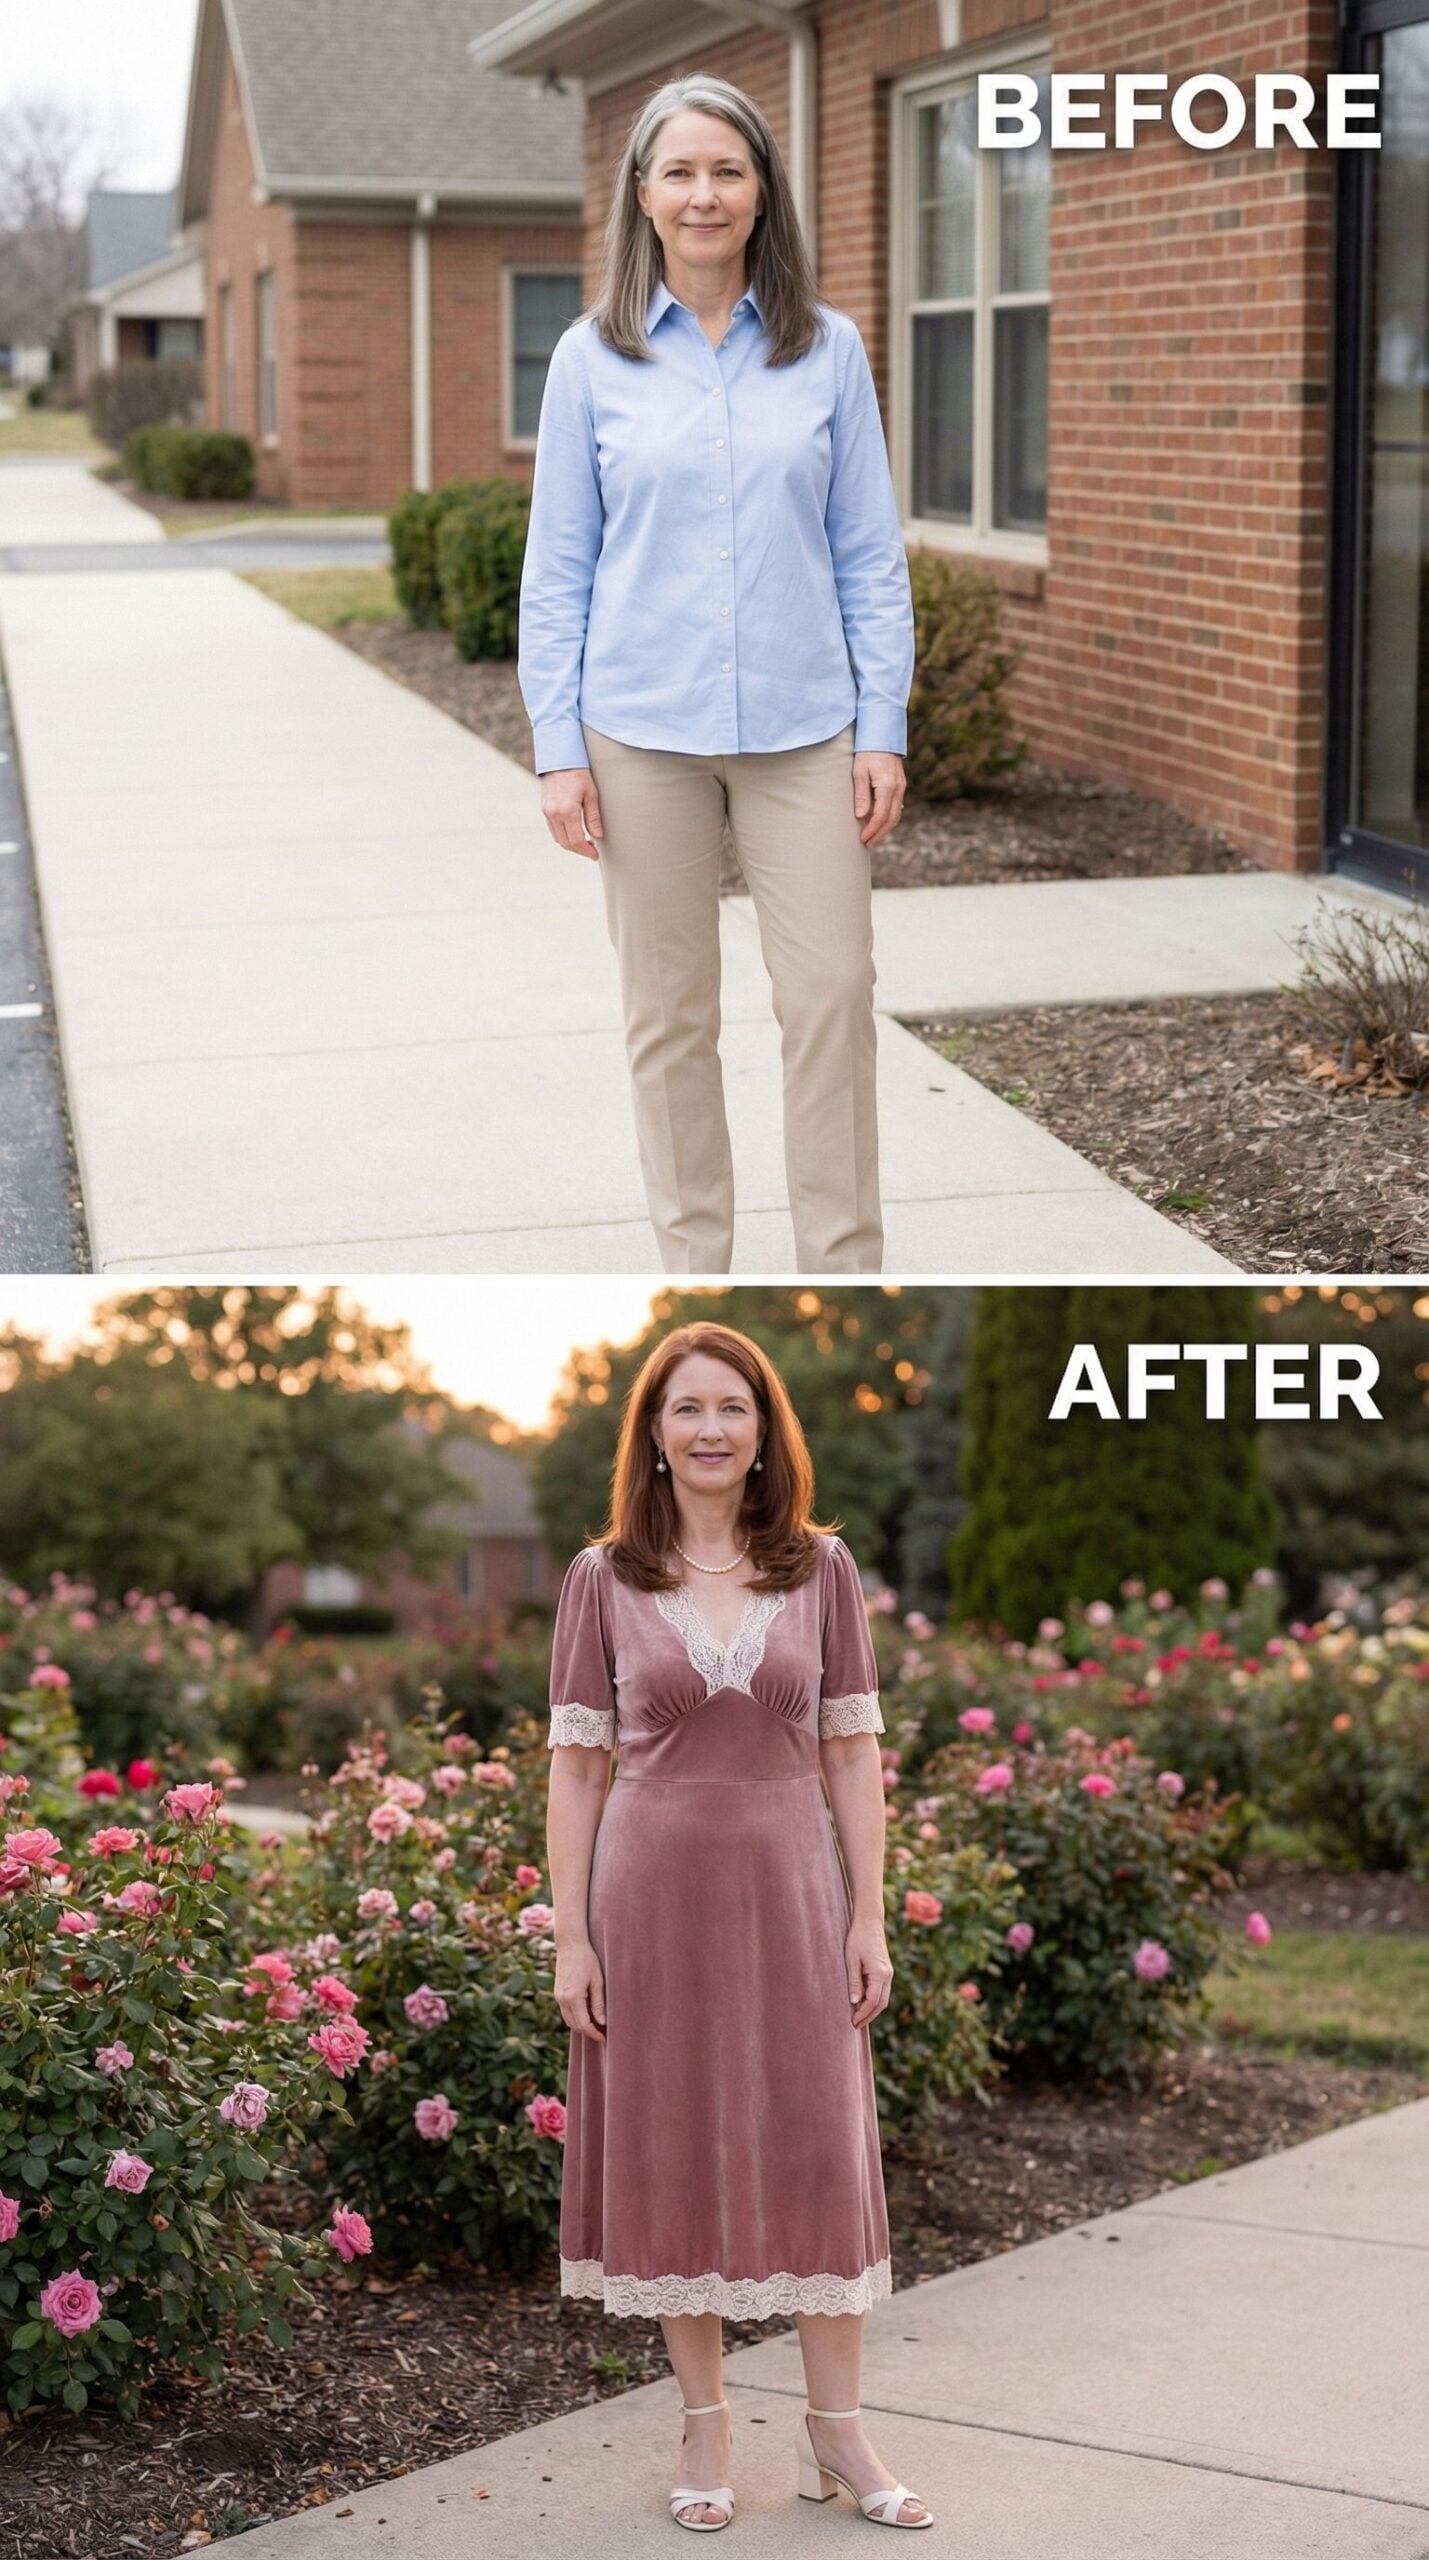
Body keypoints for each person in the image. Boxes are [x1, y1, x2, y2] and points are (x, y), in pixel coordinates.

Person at [518, 75, 915, 1280]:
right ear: (642, 196)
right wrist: (557, 745)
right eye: (680, 172)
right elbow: (558, 569)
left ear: (760, 196)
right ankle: (696, 1266)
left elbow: (868, 553)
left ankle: (838, 1267)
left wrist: (881, 724)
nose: (704, 193)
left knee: (833, 997)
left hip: (805, 730)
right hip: (640, 733)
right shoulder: (590, 359)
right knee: (671, 1019)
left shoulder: (827, 348)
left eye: (727, 171)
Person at [544, 1320, 933, 2531]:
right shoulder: (601, 1575)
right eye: (686, 1409)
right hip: (648, 1906)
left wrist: (870, 1914)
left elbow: (853, 1751)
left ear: (765, 1432)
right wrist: (570, 1934)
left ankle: (838, 2436)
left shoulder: (821, 1569)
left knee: (818, 2146)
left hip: (794, 1896)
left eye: (732, 1407)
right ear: (652, 1437)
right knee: (669, 2151)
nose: (710, 1429)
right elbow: (574, 1770)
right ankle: (705, 2432)